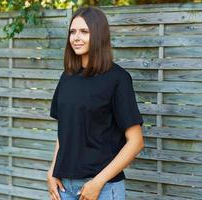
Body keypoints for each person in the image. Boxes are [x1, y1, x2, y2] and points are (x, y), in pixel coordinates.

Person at [47, 6, 144, 200]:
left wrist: (98, 182)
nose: (76, 37)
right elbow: (64, 132)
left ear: (99, 35)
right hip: (65, 187)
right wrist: (52, 170)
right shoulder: (67, 77)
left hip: (103, 188)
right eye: (72, 32)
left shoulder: (118, 79)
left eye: (84, 31)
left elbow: (136, 142)